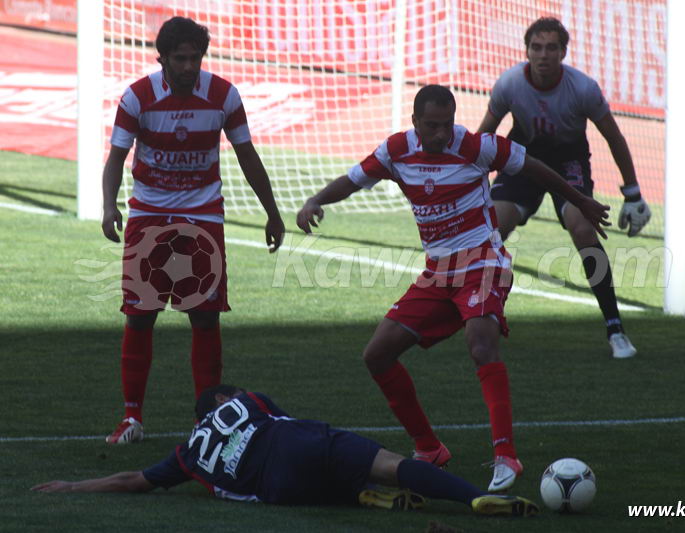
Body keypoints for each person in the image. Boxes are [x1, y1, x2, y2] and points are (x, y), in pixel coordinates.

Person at [296, 84, 610, 491]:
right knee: (377, 355)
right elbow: (353, 179)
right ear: (415, 123)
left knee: (481, 343)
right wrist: (315, 201)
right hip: (438, 273)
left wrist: (581, 200)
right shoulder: (396, 150)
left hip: (483, 262)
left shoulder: (476, 146)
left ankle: (506, 456)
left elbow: (532, 167)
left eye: (447, 124)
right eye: (432, 126)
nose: (442, 134)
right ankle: (429, 448)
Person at [100, 17, 285, 444]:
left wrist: (272, 213)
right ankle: (131, 418)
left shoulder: (223, 94)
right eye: (180, 58)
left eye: (195, 58)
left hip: (203, 215)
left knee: (204, 317)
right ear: (161, 58)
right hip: (148, 214)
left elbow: (247, 155)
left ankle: (208, 419)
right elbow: (115, 159)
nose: (188, 66)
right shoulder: (138, 97)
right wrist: (109, 206)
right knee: (140, 315)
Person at [31, 385, 538, 517]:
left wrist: (73, 486)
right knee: (394, 465)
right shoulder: (250, 400)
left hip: (276, 490)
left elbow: (132, 481)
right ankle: (474, 498)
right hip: (295, 442)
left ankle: (365, 496)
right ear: (225, 400)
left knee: (316, 482)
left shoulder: (188, 453)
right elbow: (281, 420)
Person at [476, 17, 651, 359]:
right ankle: (472, 311)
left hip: (569, 163)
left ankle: (615, 328)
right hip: (521, 159)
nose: (543, 55)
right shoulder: (510, 83)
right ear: (526, 50)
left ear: (563, 52)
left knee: (584, 230)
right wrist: (467, 182)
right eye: (536, 47)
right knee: (493, 227)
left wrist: (632, 192)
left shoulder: (583, 88)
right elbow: (484, 137)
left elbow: (614, 137)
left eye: (551, 48)